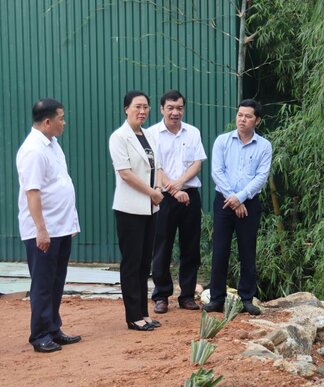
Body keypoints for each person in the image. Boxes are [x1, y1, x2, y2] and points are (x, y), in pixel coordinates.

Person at [108, 90, 189, 331]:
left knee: (145, 263)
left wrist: (157, 189)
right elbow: (125, 173)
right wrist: (152, 192)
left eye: (145, 107)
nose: (142, 111)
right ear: (126, 109)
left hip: (150, 209)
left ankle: (143, 312)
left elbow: (157, 167)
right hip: (130, 208)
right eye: (137, 107)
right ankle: (133, 316)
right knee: (132, 263)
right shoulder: (119, 137)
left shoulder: (147, 135)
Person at [17, 98, 82, 353]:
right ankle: (40, 334)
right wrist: (40, 229)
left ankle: (53, 328)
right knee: (43, 283)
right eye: (61, 118)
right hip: (44, 229)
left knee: (56, 281)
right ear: (47, 122)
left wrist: (70, 222)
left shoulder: (52, 144)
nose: (63, 123)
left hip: (61, 226)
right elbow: (32, 193)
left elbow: (60, 184)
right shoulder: (33, 150)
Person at [203, 99, 272, 316]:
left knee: (247, 250)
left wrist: (241, 198)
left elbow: (261, 177)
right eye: (240, 115)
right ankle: (216, 299)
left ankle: (246, 299)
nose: (242, 119)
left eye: (248, 116)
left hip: (249, 203)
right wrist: (233, 199)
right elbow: (217, 171)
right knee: (220, 249)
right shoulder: (223, 141)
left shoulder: (264, 146)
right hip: (224, 200)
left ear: (257, 120)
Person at [148, 90, 207, 314]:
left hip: (189, 195)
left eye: (179, 108)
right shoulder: (152, 133)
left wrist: (180, 184)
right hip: (162, 197)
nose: (175, 112)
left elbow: (197, 164)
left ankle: (187, 295)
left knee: (191, 247)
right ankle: (161, 295)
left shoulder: (192, 132)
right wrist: (172, 189)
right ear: (162, 109)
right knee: (162, 246)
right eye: (170, 108)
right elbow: (155, 167)